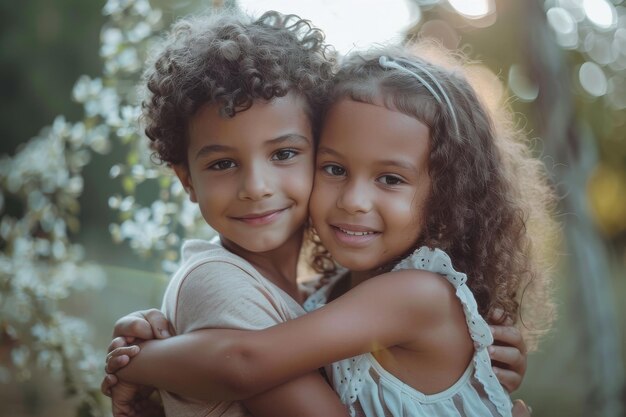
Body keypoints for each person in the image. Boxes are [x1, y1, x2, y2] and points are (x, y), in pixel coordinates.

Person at [103, 35, 547, 417]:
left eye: (390, 179)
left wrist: (136, 361)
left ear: (447, 197)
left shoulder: (418, 294)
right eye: (335, 169)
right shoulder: (326, 294)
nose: (353, 200)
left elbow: (242, 364)